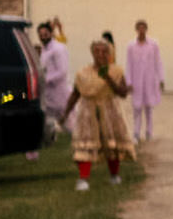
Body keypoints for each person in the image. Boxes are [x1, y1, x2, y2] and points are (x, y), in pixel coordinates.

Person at [61, 38, 135, 191]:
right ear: (92, 53)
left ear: (110, 54)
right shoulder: (83, 73)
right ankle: (83, 179)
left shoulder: (116, 71)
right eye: (97, 51)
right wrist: (66, 112)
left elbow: (122, 93)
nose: (101, 54)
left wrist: (107, 77)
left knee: (111, 143)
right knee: (86, 144)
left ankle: (114, 175)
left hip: (110, 110)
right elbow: (76, 94)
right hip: (88, 111)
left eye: (104, 51)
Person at [33, 18, 71, 159]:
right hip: (47, 95)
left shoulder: (58, 49)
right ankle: (35, 152)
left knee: (69, 125)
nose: (43, 36)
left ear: (50, 33)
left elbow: (62, 71)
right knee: (42, 122)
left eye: (45, 34)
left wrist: (45, 80)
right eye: (40, 34)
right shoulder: (44, 50)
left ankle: (84, 148)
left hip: (59, 95)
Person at [126, 20, 164, 141]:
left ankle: (149, 132)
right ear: (136, 30)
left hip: (149, 80)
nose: (141, 30)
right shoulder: (131, 46)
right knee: (137, 108)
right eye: (139, 28)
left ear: (146, 29)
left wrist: (161, 78)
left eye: (143, 28)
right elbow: (129, 64)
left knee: (149, 108)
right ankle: (136, 133)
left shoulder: (153, 45)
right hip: (136, 81)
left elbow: (158, 62)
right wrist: (129, 82)